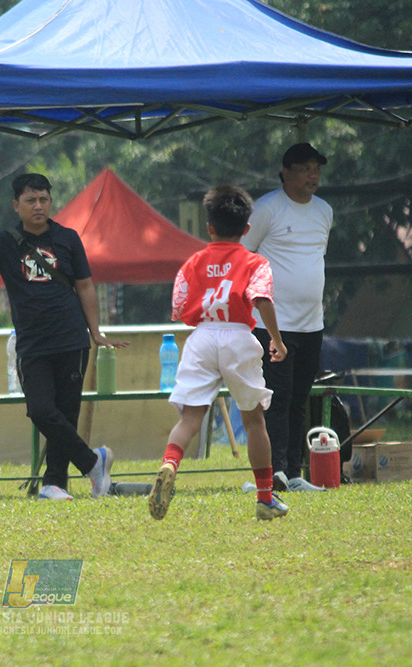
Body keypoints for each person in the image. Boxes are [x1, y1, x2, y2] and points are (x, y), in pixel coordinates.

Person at [0, 173, 128, 501]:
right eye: (31, 200)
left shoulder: (68, 238)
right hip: (31, 343)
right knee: (40, 410)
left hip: (71, 338)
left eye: (44, 199)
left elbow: (85, 286)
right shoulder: (3, 243)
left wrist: (96, 333)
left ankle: (55, 484)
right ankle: (94, 462)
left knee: (66, 414)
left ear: (51, 202)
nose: (38, 206)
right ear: (15, 205)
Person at [149, 185, 289, 521]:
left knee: (190, 418)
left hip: (202, 337)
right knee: (254, 419)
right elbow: (262, 300)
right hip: (238, 336)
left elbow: (181, 308)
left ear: (209, 227)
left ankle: (169, 463)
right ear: (247, 229)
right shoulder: (256, 262)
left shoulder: (192, 263)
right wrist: (277, 341)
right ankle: (265, 499)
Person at [242, 142, 332, 493]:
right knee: (276, 398)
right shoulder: (267, 209)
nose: (313, 175)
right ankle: (274, 470)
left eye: (316, 168)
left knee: (300, 398)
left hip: (312, 324)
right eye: (305, 168)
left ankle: (294, 473)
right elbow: (243, 258)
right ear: (286, 172)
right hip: (271, 325)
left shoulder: (325, 211)